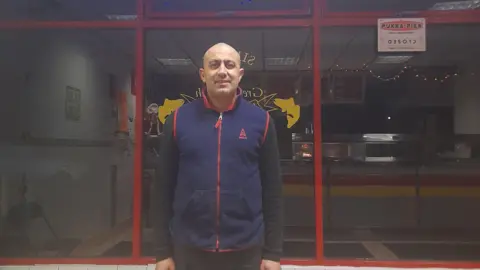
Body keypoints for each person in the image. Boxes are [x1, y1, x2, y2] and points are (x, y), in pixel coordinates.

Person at [154, 42, 283, 270]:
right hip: (188, 248)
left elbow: (273, 191)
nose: (222, 71)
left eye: (229, 65)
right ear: (203, 75)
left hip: (246, 248)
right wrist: (162, 252)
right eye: (214, 65)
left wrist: (273, 253)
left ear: (239, 74)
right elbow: (163, 189)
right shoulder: (177, 120)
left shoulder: (261, 121)